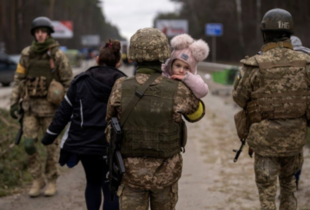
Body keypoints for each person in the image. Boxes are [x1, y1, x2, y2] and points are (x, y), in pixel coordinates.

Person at [106, 28, 205, 210]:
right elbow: (197, 114)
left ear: (134, 53)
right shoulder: (176, 88)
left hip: (130, 175)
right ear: (163, 53)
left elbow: (109, 121)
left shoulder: (121, 86)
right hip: (165, 175)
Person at [232, 8, 310, 210]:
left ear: (265, 33)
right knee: (289, 187)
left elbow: (239, 98)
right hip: (295, 140)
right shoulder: (306, 63)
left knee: (267, 192)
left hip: (265, 143)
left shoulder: (254, 65)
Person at [41, 39, 126, 210]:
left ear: (96, 60)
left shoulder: (80, 81)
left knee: (93, 183)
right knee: (111, 186)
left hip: (85, 145)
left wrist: (49, 136)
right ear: (118, 62)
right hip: (113, 145)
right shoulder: (124, 84)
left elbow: (63, 112)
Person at [9, 16, 73, 197]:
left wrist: (66, 106)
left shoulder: (57, 55)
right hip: (30, 108)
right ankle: (38, 179)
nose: (40, 35)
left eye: (43, 32)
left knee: (52, 147)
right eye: (37, 32)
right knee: (28, 144)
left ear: (49, 33)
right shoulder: (27, 54)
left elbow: (68, 82)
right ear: (34, 34)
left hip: (50, 110)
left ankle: (52, 179)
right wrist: (14, 102)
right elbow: (19, 79)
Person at [162, 33, 209, 98]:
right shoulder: (163, 72)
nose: (181, 70)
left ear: (192, 70)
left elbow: (203, 91)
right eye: (178, 66)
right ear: (170, 64)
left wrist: (186, 78)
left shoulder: (193, 80)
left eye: (186, 68)